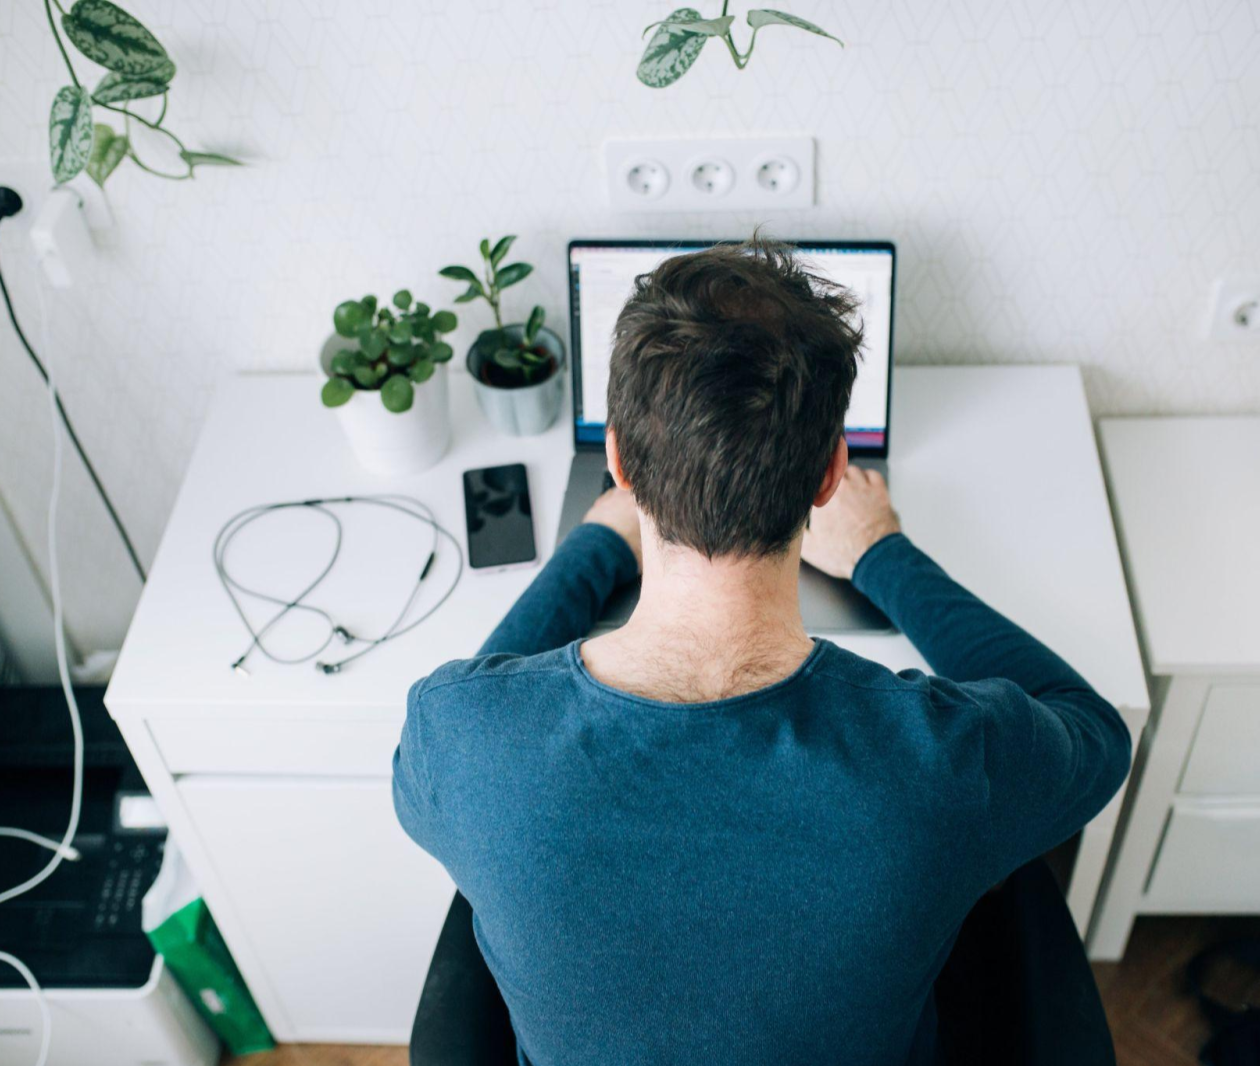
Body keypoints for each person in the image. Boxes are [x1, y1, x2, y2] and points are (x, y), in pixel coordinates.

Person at [393, 238, 1132, 1066]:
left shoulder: (461, 740)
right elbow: (1095, 731)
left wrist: (592, 549)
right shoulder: (941, 762)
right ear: (828, 476)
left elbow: (487, 691)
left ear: (621, 465)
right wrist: (884, 552)